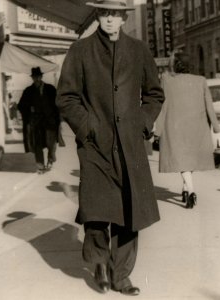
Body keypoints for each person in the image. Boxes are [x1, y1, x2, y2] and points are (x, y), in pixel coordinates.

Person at [56, 0, 165, 296]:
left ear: (124, 17)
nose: (109, 20)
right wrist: (88, 127)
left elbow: (154, 94)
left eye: (115, 15)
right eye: (104, 14)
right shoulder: (80, 51)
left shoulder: (139, 50)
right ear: (97, 16)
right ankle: (99, 263)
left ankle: (122, 275)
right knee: (97, 210)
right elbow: (66, 97)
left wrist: (142, 123)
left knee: (131, 212)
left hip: (130, 145)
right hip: (94, 145)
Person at [156, 52, 220, 208]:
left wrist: (157, 130)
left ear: (175, 65)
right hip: (196, 127)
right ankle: (187, 188)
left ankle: (189, 190)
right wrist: (216, 127)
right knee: (188, 159)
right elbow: (209, 105)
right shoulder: (201, 80)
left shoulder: (166, 81)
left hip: (175, 127)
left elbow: (162, 107)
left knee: (181, 159)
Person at [18, 67, 59, 173]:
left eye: (38, 77)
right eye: (34, 77)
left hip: (50, 122)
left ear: (41, 77)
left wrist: (57, 117)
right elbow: (21, 106)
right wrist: (29, 110)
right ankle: (40, 165)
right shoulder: (28, 91)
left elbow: (58, 104)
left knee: (51, 143)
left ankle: (50, 161)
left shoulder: (50, 89)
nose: (36, 79)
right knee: (38, 144)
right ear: (32, 78)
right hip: (36, 123)